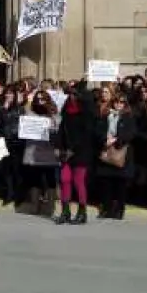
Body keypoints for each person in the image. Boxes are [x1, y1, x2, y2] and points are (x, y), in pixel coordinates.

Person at [55, 82, 96, 225]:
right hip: (66, 151)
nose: (72, 97)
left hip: (81, 152)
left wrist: (73, 149)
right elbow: (61, 131)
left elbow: (86, 135)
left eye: (75, 94)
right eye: (70, 94)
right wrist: (58, 147)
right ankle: (65, 211)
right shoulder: (66, 111)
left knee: (78, 181)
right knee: (64, 179)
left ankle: (82, 212)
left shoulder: (87, 113)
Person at [94, 92, 135, 220]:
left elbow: (131, 133)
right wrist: (104, 139)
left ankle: (119, 209)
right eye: (116, 102)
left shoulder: (129, 117)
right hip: (106, 150)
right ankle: (106, 208)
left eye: (122, 102)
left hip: (121, 153)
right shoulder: (106, 115)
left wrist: (117, 140)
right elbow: (97, 131)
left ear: (125, 104)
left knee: (120, 184)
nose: (118, 104)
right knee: (106, 183)